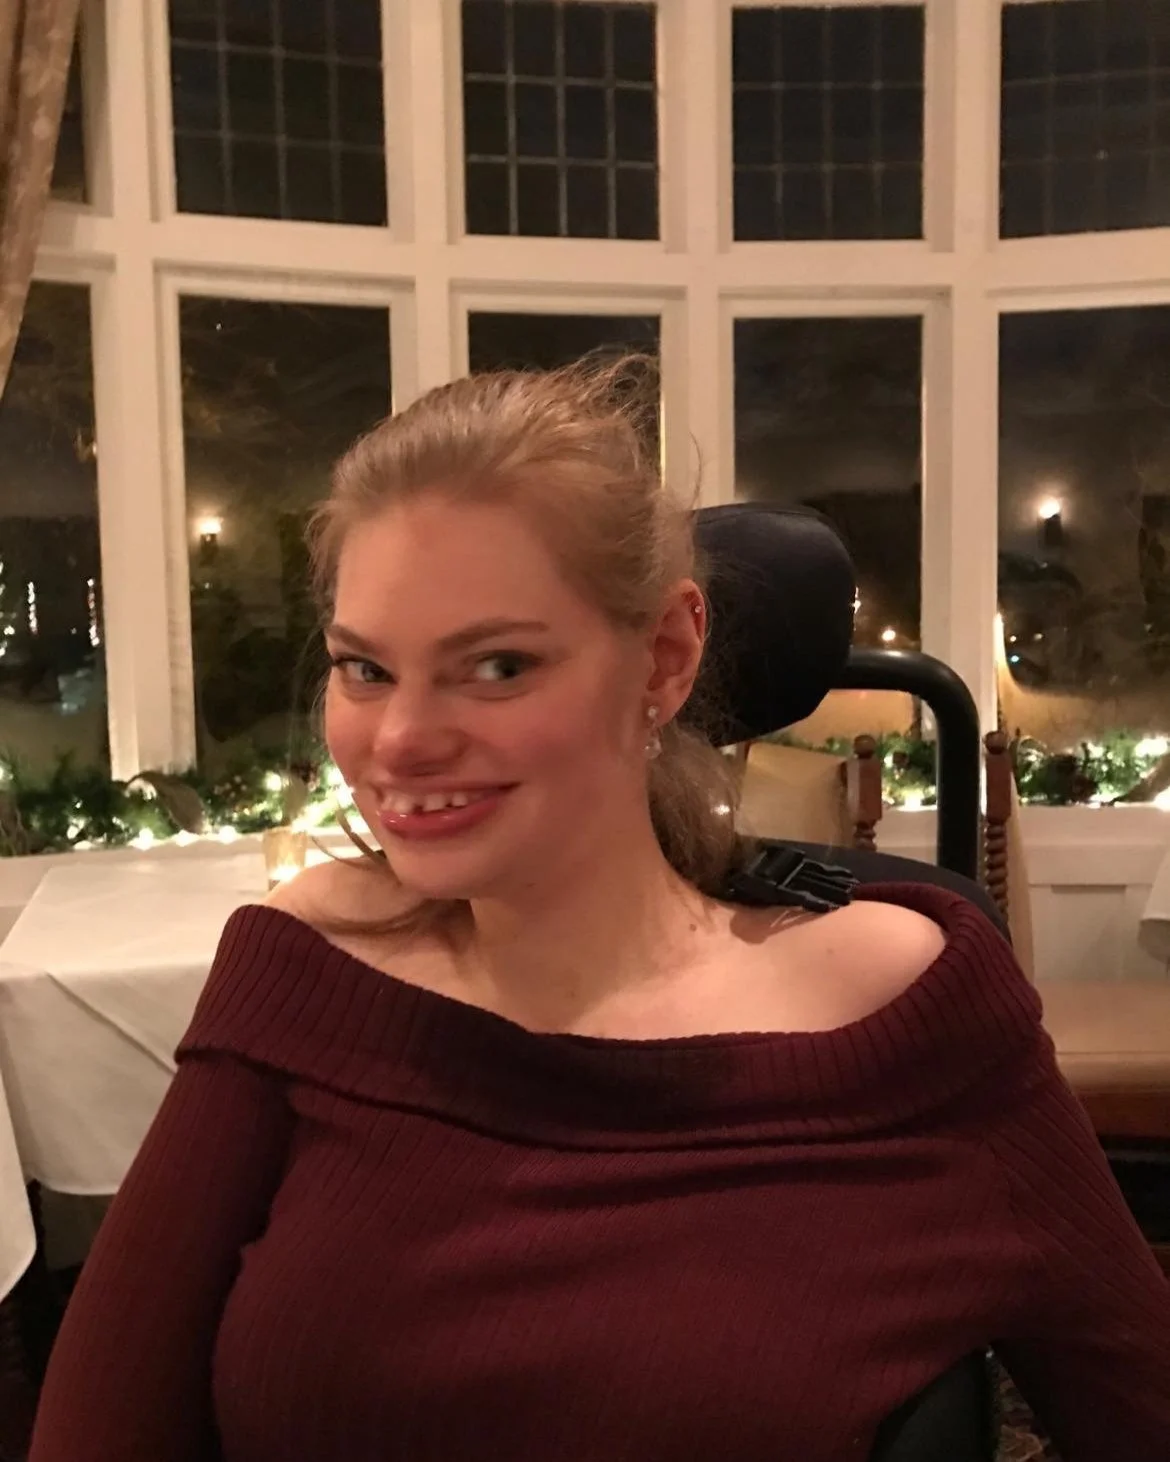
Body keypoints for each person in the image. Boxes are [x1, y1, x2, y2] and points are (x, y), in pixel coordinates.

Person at [30, 361, 1170, 1462]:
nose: (398, 741)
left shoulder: (906, 1017)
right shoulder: (307, 968)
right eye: (365, 669)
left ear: (666, 656)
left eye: (496, 666)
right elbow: (99, 1426)